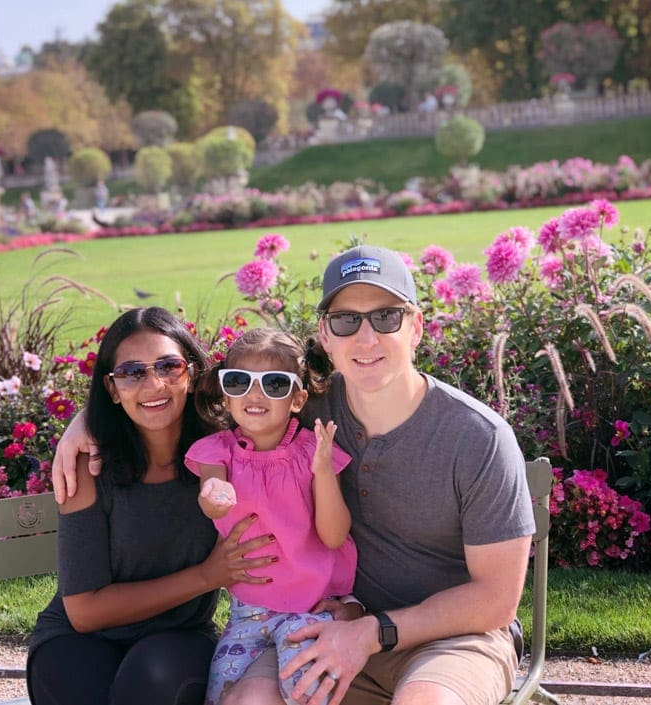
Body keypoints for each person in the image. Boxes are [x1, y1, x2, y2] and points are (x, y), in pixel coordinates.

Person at [53, 246, 535, 705]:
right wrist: (88, 421)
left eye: (386, 317)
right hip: (325, 625)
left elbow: (495, 601)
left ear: (417, 327)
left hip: (450, 641)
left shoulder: (478, 438)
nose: (365, 338)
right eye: (346, 321)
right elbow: (187, 402)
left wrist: (373, 630)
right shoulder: (301, 405)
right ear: (325, 335)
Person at [27, 306, 275, 705]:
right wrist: (208, 576)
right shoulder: (87, 463)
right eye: (131, 373)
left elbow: (290, 406)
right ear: (111, 388)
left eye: (168, 366)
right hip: (79, 638)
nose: (153, 384)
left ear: (192, 374)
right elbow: (84, 611)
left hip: (179, 637)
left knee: (154, 674)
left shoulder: (226, 453)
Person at [185, 328, 357, 705]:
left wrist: (324, 471)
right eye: (238, 381)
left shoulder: (314, 451)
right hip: (247, 614)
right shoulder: (217, 452)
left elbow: (333, 536)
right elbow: (210, 497)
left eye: (274, 383)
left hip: (311, 605)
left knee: (308, 690)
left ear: (297, 398)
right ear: (226, 394)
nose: (254, 394)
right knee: (222, 694)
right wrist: (215, 496)